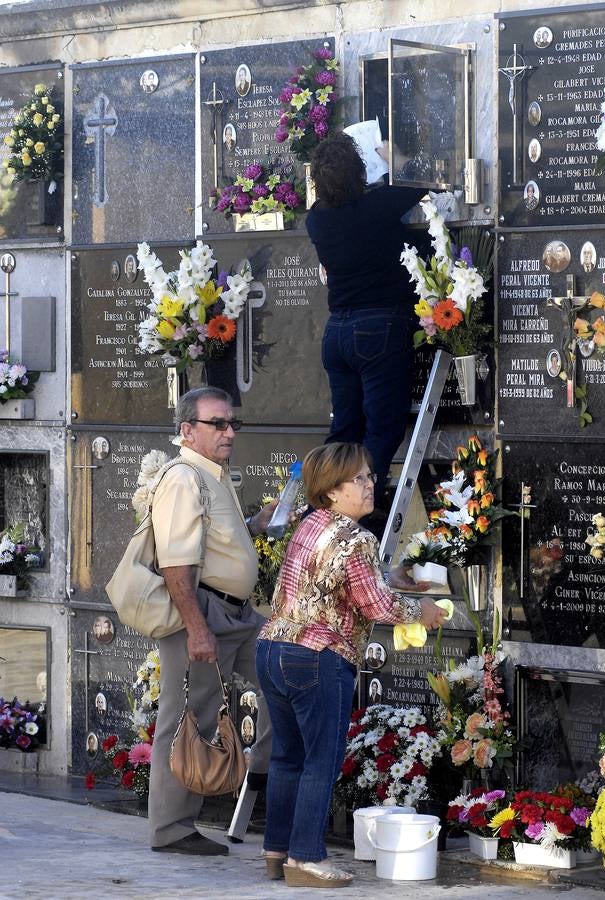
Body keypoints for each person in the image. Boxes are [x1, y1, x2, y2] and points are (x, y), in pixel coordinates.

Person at [256, 442, 449, 888]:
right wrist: (422, 611)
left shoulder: (311, 524)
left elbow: (343, 581)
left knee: (287, 756)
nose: (369, 484)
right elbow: (377, 605)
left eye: (368, 475)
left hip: (272, 649)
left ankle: (276, 851)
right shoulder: (358, 538)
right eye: (358, 479)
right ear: (331, 490)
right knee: (321, 760)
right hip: (317, 657)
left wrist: (391, 577)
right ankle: (306, 859)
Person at [148, 385, 275, 856]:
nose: (228, 432)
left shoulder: (213, 474)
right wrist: (196, 628)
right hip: (203, 613)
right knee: (189, 718)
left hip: (237, 614)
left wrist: (256, 524)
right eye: (217, 424)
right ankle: (172, 830)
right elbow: (174, 562)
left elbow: (216, 540)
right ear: (187, 431)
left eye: (232, 424)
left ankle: (260, 779)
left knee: (283, 678)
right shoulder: (183, 477)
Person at [306, 132, 431, 520]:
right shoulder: (377, 206)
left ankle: (321, 516)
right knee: (382, 428)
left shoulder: (316, 220)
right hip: (378, 326)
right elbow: (420, 180)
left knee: (344, 431)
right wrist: (393, 155)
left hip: (337, 332)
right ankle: (352, 513)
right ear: (359, 172)